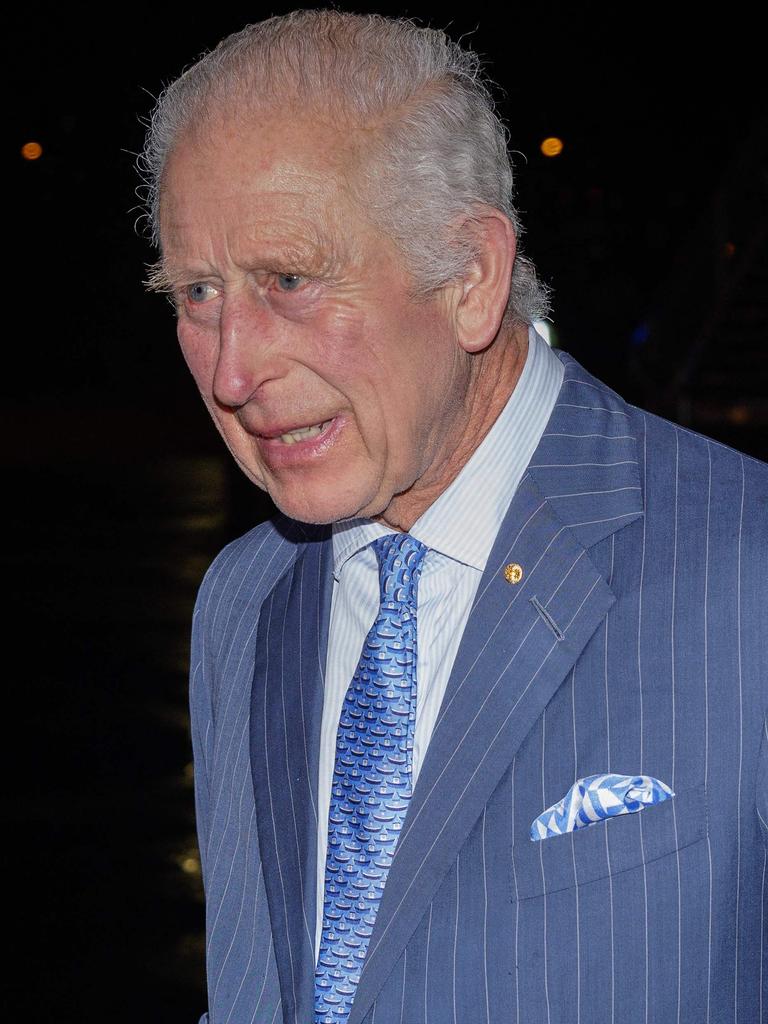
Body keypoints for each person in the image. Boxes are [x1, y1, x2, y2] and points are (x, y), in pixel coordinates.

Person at [141, 11, 767, 1024]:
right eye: (199, 292)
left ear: (472, 277)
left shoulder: (750, 573)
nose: (230, 368)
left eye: (288, 280)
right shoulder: (243, 601)